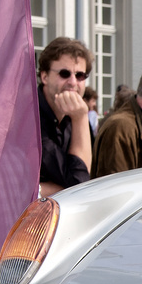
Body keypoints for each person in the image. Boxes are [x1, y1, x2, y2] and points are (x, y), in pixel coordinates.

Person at [36, 36, 94, 195]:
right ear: (44, 76)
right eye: (64, 73)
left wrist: (44, 190)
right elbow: (79, 184)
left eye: (80, 75)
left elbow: (82, 185)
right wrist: (81, 118)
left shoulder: (77, 113)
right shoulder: (32, 117)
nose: (73, 82)